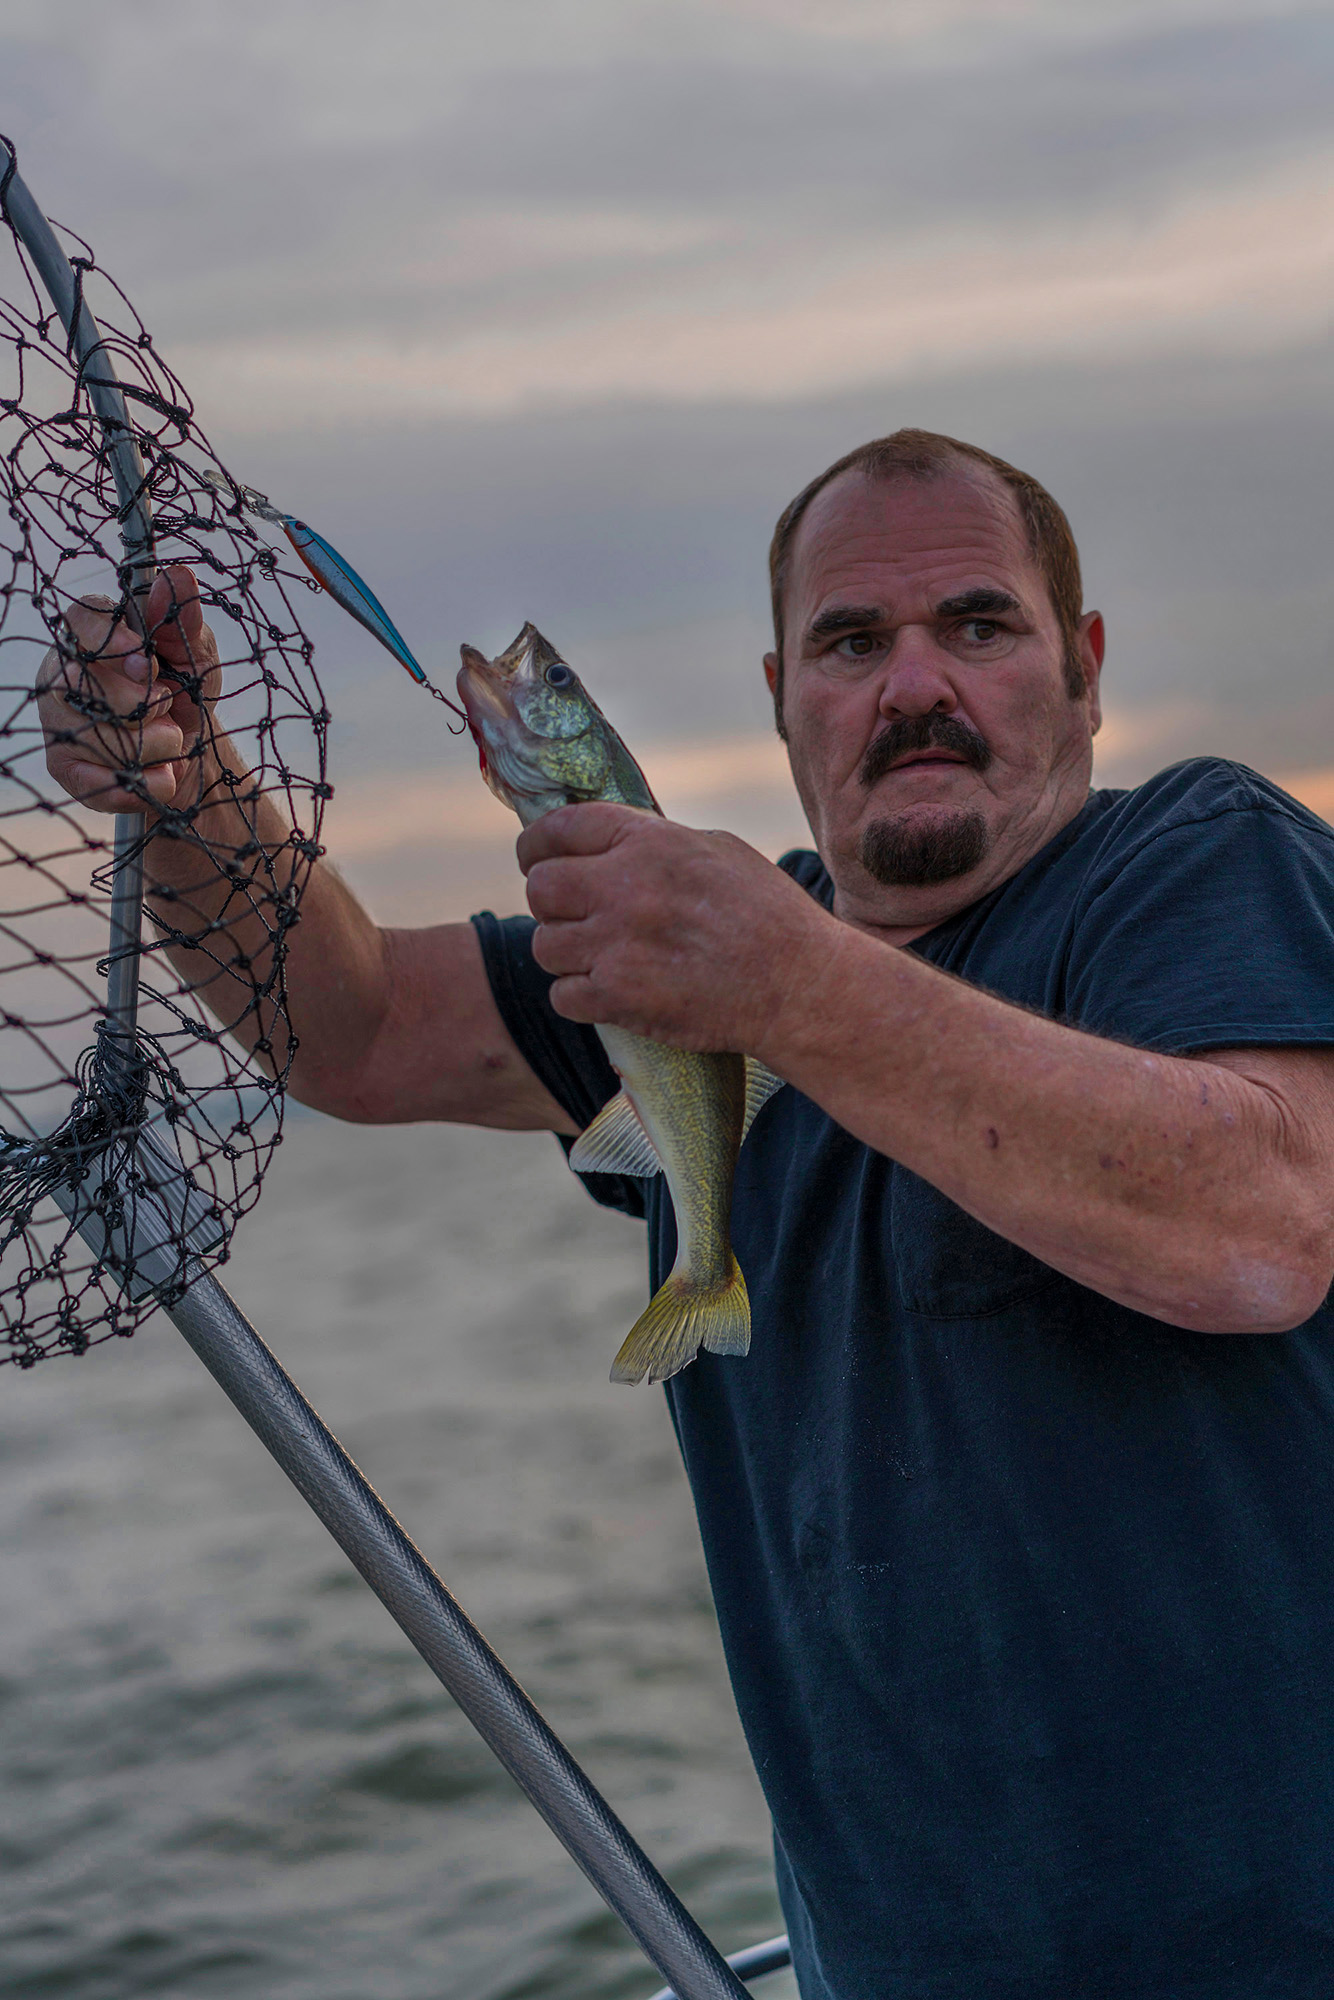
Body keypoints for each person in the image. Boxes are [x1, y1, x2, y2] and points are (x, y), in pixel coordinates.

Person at [40, 429, 1334, 1998]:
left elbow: (1258, 1227)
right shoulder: (684, 960)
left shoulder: (1189, 859)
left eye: (977, 626)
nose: (912, 681)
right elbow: (356, 1027)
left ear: (1083, 667)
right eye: (851, 643)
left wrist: (786, 980)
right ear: (780, 692)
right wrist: (185, 787)